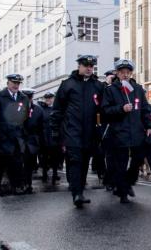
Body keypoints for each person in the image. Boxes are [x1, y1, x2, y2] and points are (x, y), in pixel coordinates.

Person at [50, 55, 104, 207]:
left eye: (91, 66)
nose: (89, 69)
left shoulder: (97, 85)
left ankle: (80, 190)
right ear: (79, 66)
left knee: (85, 162)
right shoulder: (68, 84)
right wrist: (55, 131)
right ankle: (76, 193)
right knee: (75, 161)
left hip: (90, 132)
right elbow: (57, 109)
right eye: (86, 65)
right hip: (72, 131)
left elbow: (103, 108)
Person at [102, 59, 151, 204]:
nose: (125, 75)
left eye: (128, 72)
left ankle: (128, 182)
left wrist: (149, 126)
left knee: (137, 161)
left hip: (137, 132)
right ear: (117, 73)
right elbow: (105, 111)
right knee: (121, 164)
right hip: (119, 133)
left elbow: (145, 109)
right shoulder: (110, 90)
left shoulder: (137, 89)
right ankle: (123, 192)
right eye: (122, 72)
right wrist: (121, 109)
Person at [0, 74, 30, 195]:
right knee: (0, 163)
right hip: (1, 136)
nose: (16, 85)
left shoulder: (23, 98)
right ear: (8, 83)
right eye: (13, 82)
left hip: (17, 137)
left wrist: (25, 133)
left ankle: (16, 186)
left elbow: (26, 117)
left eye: (18, 83)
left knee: (17, 163)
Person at [20, 88, 44, 193]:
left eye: (29, 98)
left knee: (29, 164)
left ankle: (27, 184)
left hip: (32, 141)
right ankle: (18, 183)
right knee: (18, 163)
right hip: (18, 139)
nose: (28, 100)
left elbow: (41, 127)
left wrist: (40, 142)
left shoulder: (38, 110)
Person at [38, 92, 60, 185]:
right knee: (44, 157)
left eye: (50, 98)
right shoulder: (41, 109)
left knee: (55, 157)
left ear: (53, 98)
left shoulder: (56, 108)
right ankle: (44, 174)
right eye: (47, 98)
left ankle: (55, 174)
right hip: (44, 137)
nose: (48, 100)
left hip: (54, 136)